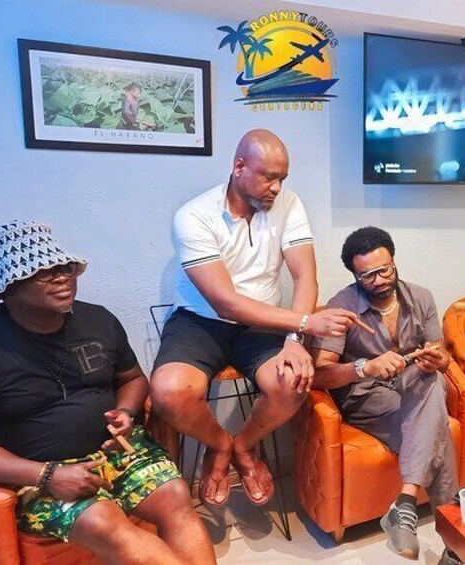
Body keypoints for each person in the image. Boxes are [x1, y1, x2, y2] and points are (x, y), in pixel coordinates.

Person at [0, 220, 214, 564]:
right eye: (43, 271)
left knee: (175, 496)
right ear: (10, 288)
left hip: (118, 453)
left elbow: (132, 379)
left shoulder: (98, 320)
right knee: (104, 522)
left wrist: (126, 412)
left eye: (65, 267)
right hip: (40, 474)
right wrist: (46, 475)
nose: (62, 277)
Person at [149, 129, 358, 507]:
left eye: (282, 179)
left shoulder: (288, 203)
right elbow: (225, 304)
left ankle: (244, 447)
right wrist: (306, 324)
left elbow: (305, 277)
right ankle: (219, 445)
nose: (277, 188)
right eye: (268, 177)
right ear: (239, 167)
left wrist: (294, 341)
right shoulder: (194, 216)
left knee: (293, 382)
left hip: (265, 323)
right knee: (168, 393)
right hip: (200, 321)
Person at [310, 227, 460, 564]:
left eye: (385, 270)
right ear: (355, 275)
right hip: (367, 396)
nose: (379, 280)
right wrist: (364, 367)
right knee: (437, 432)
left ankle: (404, 504)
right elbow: (320, 375)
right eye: (368, 276)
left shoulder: (420, 297)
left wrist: (438, 360)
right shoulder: (341, 307)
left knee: (433, 380)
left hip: (414, 386)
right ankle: (456, 549)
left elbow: (443, 355)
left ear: (394, 261)